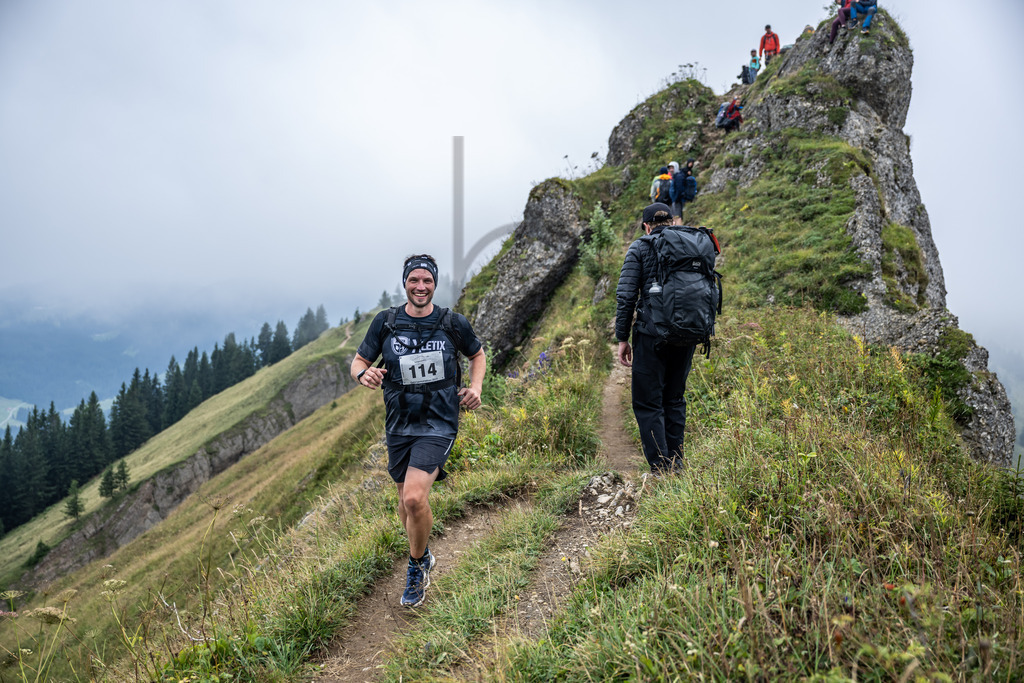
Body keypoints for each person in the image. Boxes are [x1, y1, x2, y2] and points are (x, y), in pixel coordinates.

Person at [350, 254, 486, 607]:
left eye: (427, 281)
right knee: (404, 503)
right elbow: (359, 362)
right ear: (405, 283)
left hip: (439, 421)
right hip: (399, 423)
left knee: (413, 498)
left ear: (435, 284)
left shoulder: (451, 323)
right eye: (414, 281)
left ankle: (416, 567)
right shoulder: (387, 323)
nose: (421, 287)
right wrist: (363, 374)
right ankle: (423, 554)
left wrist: (476, 387)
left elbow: (478, 354)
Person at [615, 203, 698, 475]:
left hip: (651, 336)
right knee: (674, 399)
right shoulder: (691, 244)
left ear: (646, 226)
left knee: (648, 402)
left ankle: (661, 470)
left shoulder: (640, 247)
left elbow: (626, 296)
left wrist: (622, 337)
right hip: (687, 334)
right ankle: (677, 464)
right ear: (672, 223)